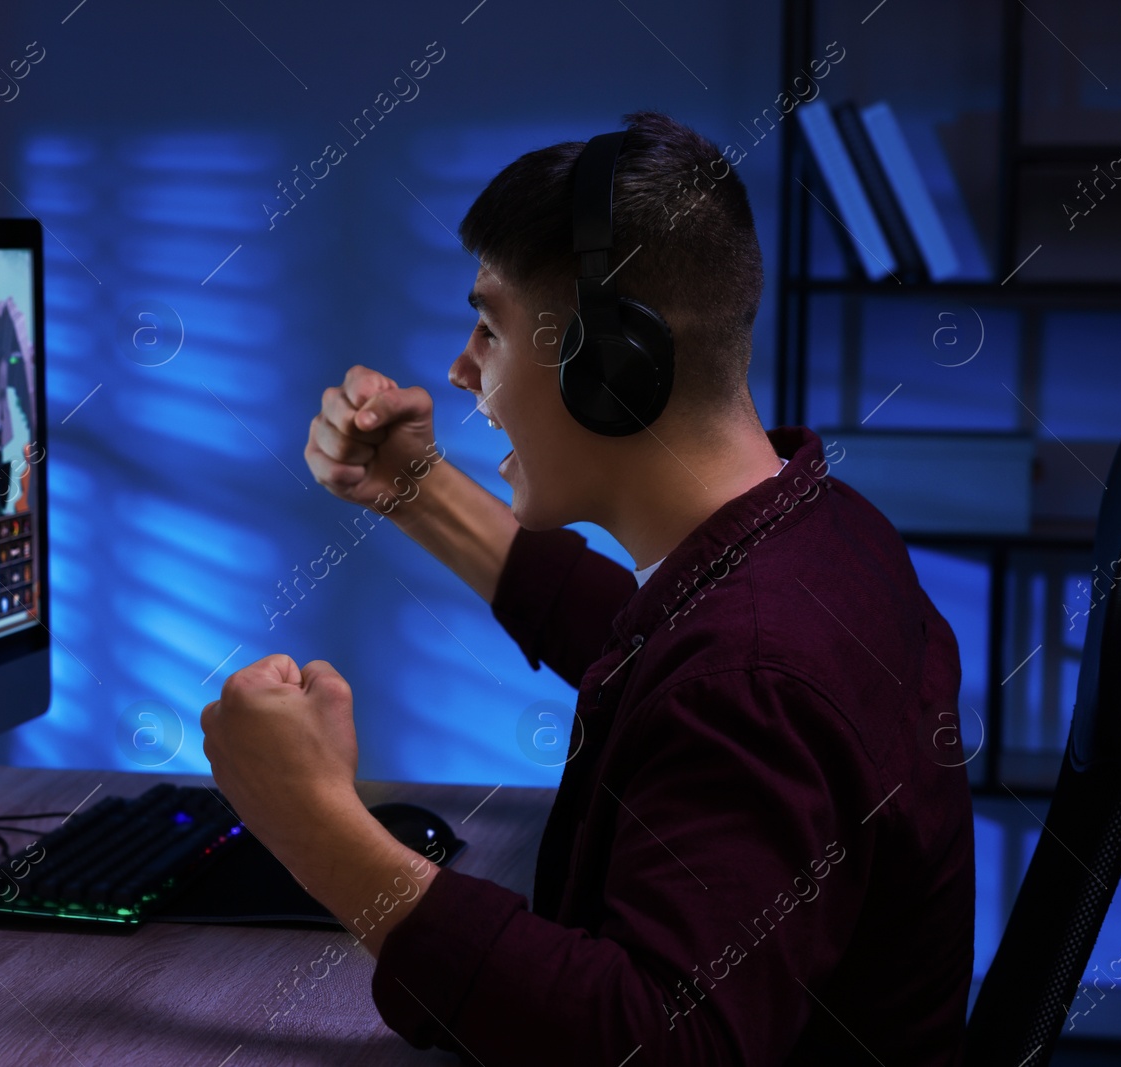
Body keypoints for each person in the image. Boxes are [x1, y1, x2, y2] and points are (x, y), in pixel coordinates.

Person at [201, 111, 974, 1065]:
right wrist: (414, 488)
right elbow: (659, 646)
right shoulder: (824, 533)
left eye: (491, 326)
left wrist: (312, 825)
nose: (461, 368)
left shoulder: (754, 675)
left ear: (609, 370)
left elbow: (653, 1043)